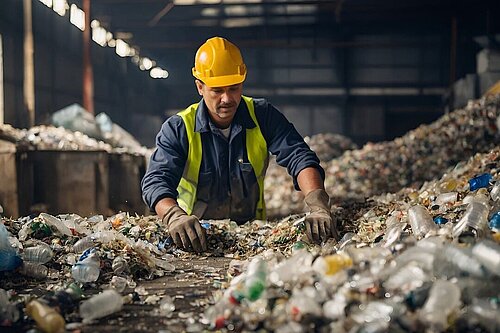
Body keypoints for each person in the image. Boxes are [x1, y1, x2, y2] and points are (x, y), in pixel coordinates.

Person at [141, 36, 339, 252]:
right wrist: (174, 216)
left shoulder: (262, 116)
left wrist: (317, 203)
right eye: (217, 90)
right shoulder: (179, 128)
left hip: (252, 238)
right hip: (197, 239)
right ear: (200, 87)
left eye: (234, 88)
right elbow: (156, 181)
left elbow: (299, 156)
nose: (227, 98)